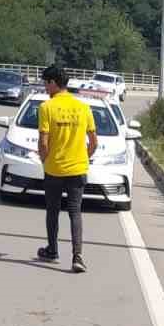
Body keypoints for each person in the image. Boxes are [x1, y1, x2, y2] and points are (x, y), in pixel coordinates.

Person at [36, 64, 97, 274]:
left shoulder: (47, 108)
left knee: (52, 211)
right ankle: (77, 256)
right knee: (75, 212)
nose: (45, 87)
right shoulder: (84, 108)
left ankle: (52, 250)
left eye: (46, 83)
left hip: (54, 170)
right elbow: (93, 142)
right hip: (78, 169)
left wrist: (45, 161)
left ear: (53, 83)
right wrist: (82, 158)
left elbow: (43, 142)